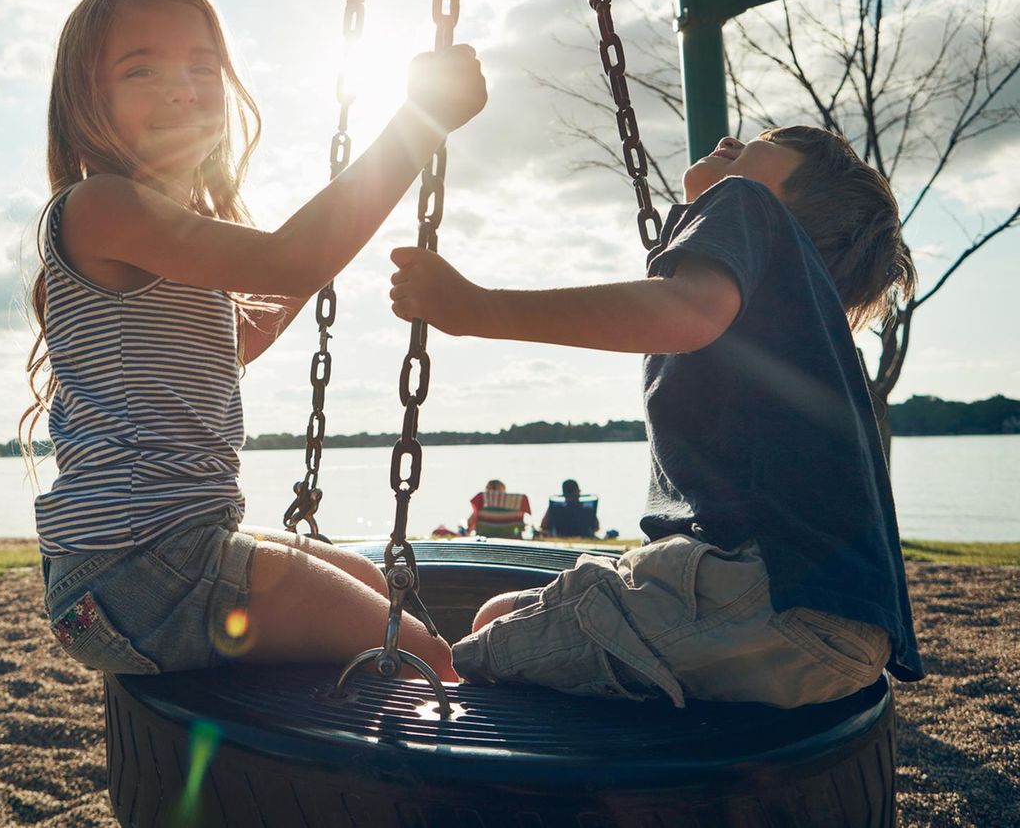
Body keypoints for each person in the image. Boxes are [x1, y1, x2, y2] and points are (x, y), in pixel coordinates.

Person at [23, 0, 487, 683]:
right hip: (139, 568)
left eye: (201, 67)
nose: (181, 87)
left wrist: (310, 263)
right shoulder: (99, 206)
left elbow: (240, 340)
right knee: (419, 655)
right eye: (141, 68)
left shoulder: (156, 229)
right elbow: (289, 257)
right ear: (88, 101)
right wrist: (418, 124)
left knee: (379, 589)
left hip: (155, 558)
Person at [388, 126, 923, 708]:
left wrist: (477, 308)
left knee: (463, 672)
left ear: (792, 197)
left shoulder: (748, 201)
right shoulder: (790, 312)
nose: (730, 139)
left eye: (766, 139)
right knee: (500, 614)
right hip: (839, 630)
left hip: (767, 594)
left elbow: (686, 311)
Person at [467, 479, 532, 538]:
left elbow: (470, 523)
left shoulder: (481, 502)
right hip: (512, 541)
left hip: (485, 541)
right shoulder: (516, 502)